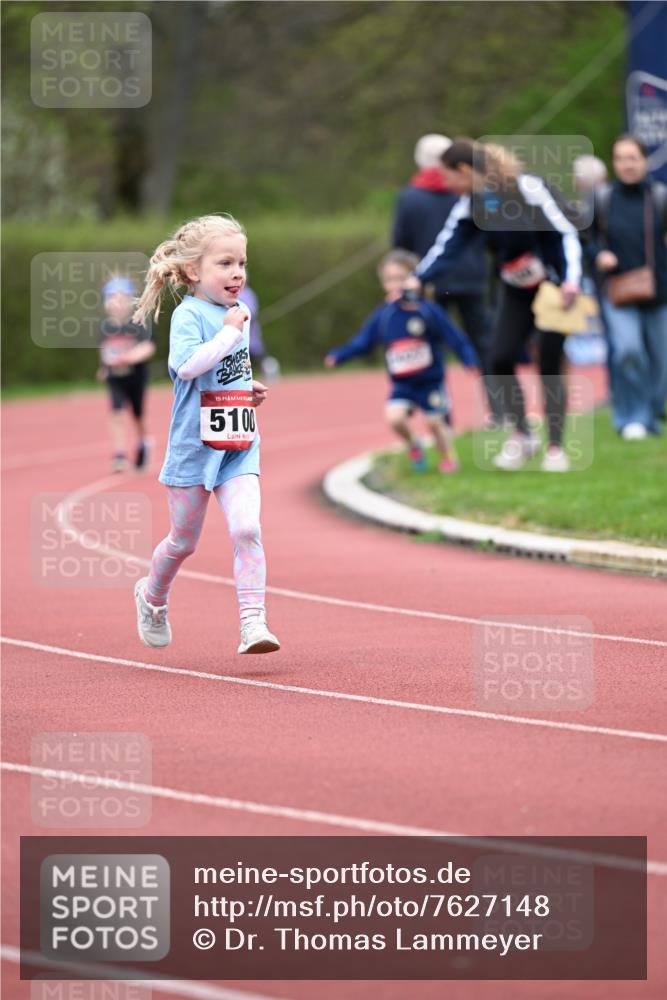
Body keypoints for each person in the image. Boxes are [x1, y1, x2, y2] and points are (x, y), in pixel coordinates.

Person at [131, 214, 280, 655]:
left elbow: (222, 370)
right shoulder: (188, 315)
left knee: (247, 529)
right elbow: (186, 367)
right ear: (195, 270)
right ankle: (152, 597)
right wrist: (228, 336)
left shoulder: (240, 313)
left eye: (242, 263)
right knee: (183, 542)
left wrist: (242, 389)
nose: (237, 273)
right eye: (225, 263)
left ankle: (253, 623)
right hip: (192, 451)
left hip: (237, 446)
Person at [409, 139, 583, 472]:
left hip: (556, 288)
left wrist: (571, 279)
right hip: (515, 288)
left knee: (548, 363)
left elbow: (566, 231)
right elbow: (448, 245)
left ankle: (557, 448)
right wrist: (418, 279)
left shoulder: (526, 187)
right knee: (500, 356)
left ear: (463, 170)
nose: (445, 185)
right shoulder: (471, 203)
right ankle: (523, 435)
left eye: (447, 177)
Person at [324, 249, 478, 472]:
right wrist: (340, 356)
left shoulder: (428, 311)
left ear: (416, 280)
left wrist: (468, 359)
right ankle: (414, 444)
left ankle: (447, 455)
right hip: (403, 384)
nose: (396, 285)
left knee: (434, 422)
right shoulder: (385, 315)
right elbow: (363, 341)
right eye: (390, 280)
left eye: (402, 278)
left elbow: (454, 337)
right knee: (394, 419)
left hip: (430, 381)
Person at [392, 133, 497, 420]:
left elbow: (401, 245)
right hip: (473, 276)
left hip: (431, 283)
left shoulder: (410, 197)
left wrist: (412, 278)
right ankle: (499, 411)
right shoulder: (469, 191)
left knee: (432, 349)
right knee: (484, 343)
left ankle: (441, 413)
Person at [589, 135, 667, 439]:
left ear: (644, 160)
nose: (626, 164)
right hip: (619, 291)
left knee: (660, 360)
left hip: (659, 290)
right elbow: (585, 238)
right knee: (628, 350)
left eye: (632, 157)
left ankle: (650, 415)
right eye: (620, 158)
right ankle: (630, 416)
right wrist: (600, 255)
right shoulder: (602, 199)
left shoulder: (659, 197)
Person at [98, 276, 155, 472]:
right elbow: (105, 350)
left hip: (136, 377)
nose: (117, 303)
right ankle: (119, 454)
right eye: (112, 298)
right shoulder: (106, 327)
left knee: (138, 415)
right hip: (116, 378)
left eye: (122, 298)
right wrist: (104, 367)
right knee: (116, 413)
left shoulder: (138, 323)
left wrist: (131, 356)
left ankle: (142, 444)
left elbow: (148, 347)